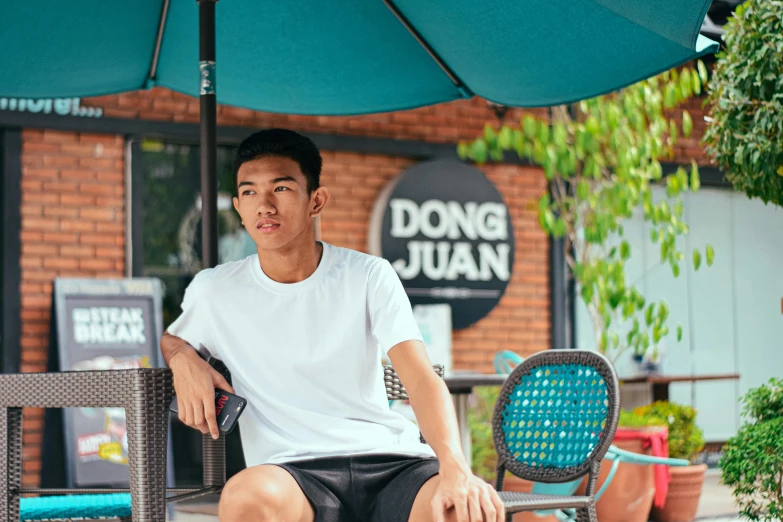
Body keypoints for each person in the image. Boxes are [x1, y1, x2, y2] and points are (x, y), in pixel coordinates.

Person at [161, 129, 504, 522]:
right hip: (293, 474)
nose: (265, 205)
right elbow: (174, 338)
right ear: (238, 206)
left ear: (316, 200)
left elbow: (421, 376)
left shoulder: (368, 274)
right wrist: (183, 359)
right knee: (243, 497)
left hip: (392, 464)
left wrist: (457, 468)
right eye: (251, 192)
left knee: (462, 508)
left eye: (282, 189)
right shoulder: (215, 289)